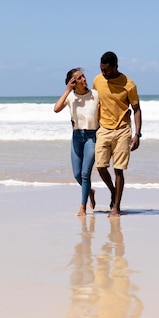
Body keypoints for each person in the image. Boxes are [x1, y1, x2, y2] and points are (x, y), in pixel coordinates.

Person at [92, 51, 142, 217]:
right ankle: (114, 191)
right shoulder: (98, 80)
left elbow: (136, 109)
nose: (103, 73)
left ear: (115, 67)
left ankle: (116, 208)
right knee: (100, 166)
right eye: (101, 69)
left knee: (118, 170)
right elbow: (94, 103)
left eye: (106, 70)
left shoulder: (128, 84)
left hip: (122, 130)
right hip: (104, 129)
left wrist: (137, 134)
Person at [54, 68, 99, 216]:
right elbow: (56, 108)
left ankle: (83, 207)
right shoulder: (70, 97)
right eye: (79, 78)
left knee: (86, 173)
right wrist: (67, 89)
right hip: (76, 136)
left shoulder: (95, 95)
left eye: (83, 76)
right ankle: (89, 191)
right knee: (77, 174)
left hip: (92, 136)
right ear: (73, 82)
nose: (83, 79)